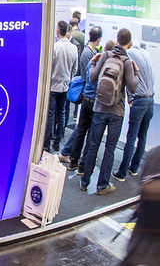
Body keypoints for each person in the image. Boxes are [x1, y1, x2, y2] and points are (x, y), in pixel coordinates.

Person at [80, 28, 139, 195]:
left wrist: (93, 63)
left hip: (99, 107)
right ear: (129, 43)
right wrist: (136, 71)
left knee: (93, 145)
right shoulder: (127, 62)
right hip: (116, 112)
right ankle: (102, 186)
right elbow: (133, 87)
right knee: (110, 149)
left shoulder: (106, 55)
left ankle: (84, 182)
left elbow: (92, 78)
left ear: (117, 40)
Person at [59, 26, 102, 173]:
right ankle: (71, 154)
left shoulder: (88, 52)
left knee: (81, 128)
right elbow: (88, 76)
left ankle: (71, 155)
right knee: (83, 129)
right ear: (99, 39)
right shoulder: (89, 54)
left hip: (87, 94)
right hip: (89, 94)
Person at [113, 43, 155, 182]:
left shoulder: (129, 55)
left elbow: (128, 79)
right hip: (150, 100)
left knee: (131, 137)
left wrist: (130, 98)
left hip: (139, 101)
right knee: (142, 136)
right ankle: (134, 168)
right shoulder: (145, 54)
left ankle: (121, 173)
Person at [120, 145, 160, 266]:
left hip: (146, 224)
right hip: (148, 227)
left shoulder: (155, 153)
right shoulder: (156, 153)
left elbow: (143, 187)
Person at [44, 20, 78, 152]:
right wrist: (68, 78)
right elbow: (74, 68)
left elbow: (50, 67)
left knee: (51, 115)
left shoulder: (54, 47)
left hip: (53, 85)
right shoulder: (73, 48)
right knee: (62, 113)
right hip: (65, 85)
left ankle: (47, 144)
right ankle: (57, 142)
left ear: (57, 32)